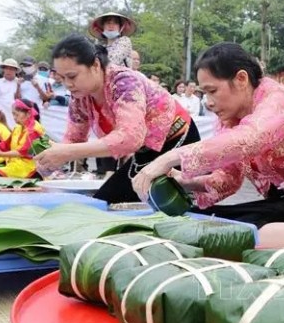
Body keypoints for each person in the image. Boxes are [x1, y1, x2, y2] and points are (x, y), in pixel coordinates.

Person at [131, 42, 284, 238]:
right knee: (205, 219)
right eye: (204, 93)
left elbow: (251, 138)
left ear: (241, 79)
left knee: (242, 227)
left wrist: (168, 158)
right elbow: (228, 179)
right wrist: (184, 182)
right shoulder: (231, 119)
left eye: (212, 91)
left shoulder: (276, 100)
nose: (208, 102)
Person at [34, 34, 200, 203]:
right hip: (146, 151)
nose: (67, 85)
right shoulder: (80, 97)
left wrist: (66, 152)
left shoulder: (124, 81)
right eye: (62, 78)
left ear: (95, 65)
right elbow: (73, 139)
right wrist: (50, 159)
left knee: (150, 203)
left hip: (179, 139)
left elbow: (129, 138)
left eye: (72, 76)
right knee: (108, 201)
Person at [0, 99, 46, 178]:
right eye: (13, 114)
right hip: (16, 166)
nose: (14, 118)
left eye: (17, 115)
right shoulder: (18, 128)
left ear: (28, 114)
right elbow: (6, 145)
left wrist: (0, 154)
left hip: (31, 168)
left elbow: (23, 152)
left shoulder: (34, 130)